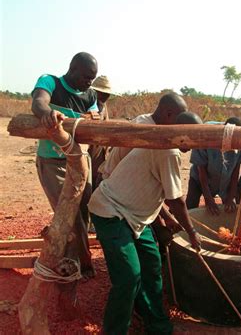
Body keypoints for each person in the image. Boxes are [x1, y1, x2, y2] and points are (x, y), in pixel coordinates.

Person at [88, 93, 201, 335]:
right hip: (111, 211)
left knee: (151, 264)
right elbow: (175, 199)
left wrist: (168, 219)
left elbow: (155, 189)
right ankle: (115, 329)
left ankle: (155, 322)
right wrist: (192, 231)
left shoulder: (159, 137)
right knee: (129, 276)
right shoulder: (168, 151)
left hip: (136, 217)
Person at [31, 52, 98, 279]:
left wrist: (94, 120)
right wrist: (47, 113)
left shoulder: (90, 95)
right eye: (87, 76)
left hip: (81, 160)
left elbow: (95, 120)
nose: (90, 82)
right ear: (73, 69)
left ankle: (78, 256)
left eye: (93, 78)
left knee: (85, 210)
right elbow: (39, 101)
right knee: (69, 213)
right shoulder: (50, 82)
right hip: (53, 162)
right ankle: (80, 261)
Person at [186, 117, 241, 215]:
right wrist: (208, 198)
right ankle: (186, 227)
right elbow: (202, 173)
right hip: (199, 180)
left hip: (226, 181)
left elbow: (235, 174)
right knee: (191, 205)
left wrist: (231, 197)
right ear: (227, 135)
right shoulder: (206, 136)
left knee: (230, 209)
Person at [88, 75, 120, 190]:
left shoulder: (103, 106)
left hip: (100, 152)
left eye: (107, 94)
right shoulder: (87, 104)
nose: (106, 96)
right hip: (87, 152)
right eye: (102, 93)